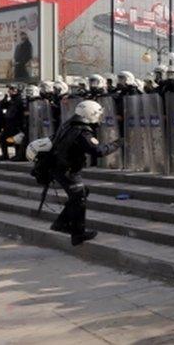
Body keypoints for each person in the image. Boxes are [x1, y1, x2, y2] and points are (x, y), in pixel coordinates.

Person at [48, 100, 123, 245]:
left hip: (60, 167)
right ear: (91, 114)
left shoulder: (69, 124)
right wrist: (118, 143)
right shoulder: (82, 131)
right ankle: (77, 234)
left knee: (80, 194)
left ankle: (61, 223)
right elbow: (98, 151)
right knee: (79, 198)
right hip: (67, 170)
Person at [0, 84, 27, 161]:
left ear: (16, 90)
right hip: (9, 125)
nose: (9, 91)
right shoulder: (12, 100)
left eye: (11, 89)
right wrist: (5, 99)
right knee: (3, 139)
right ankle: (5, 155)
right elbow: (1, 106)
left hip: (17, 125)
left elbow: (22, 113)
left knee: (16, 141)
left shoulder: (20, 100)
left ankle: (18, 155)